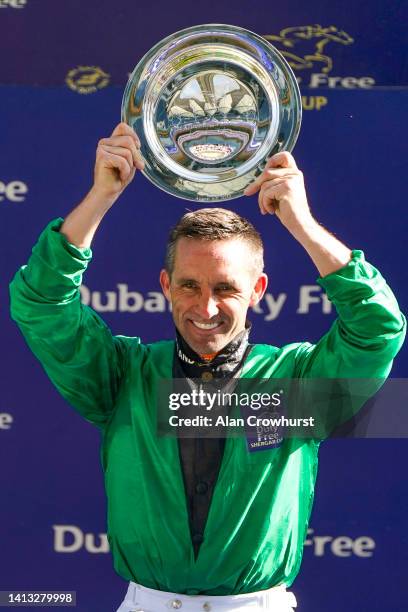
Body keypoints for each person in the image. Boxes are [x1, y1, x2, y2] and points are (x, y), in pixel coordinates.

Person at [9, 123, 405, 612]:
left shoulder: (297, 385)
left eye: (226, 288)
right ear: (165, 285)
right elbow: (41, 303)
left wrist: (300, 221)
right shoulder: (120, 377)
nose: (207, 307)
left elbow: (378, 327)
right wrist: (100, 196)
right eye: (190, 286)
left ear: (258, 291)